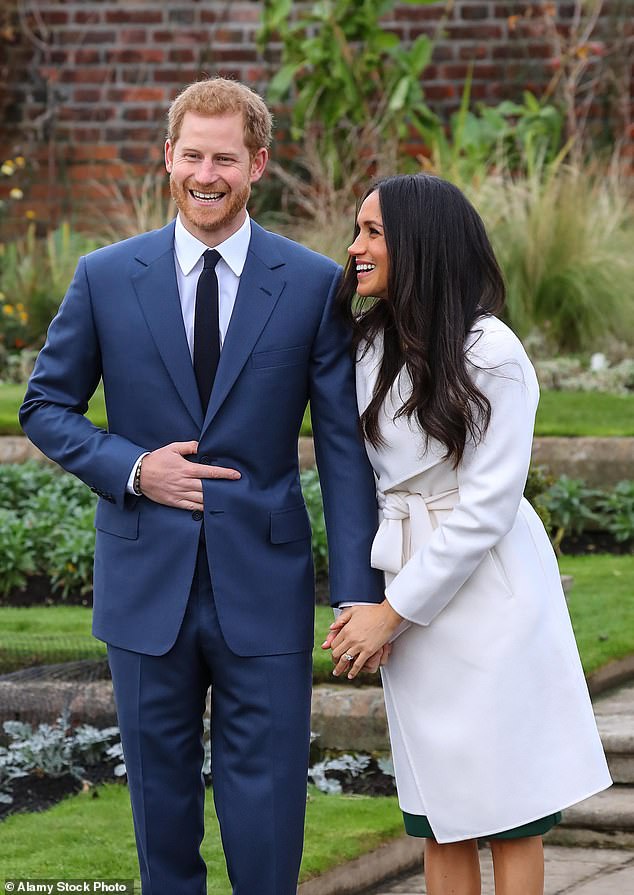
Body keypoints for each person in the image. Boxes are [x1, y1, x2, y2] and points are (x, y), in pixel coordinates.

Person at [19, 77, 385, 895]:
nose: (206, 173)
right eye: (192, 155)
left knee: (267, 817)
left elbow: (342, 449)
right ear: (168, 158)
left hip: (265, 583)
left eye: (225, 157)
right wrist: (135, 468)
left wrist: (359, 590)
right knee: (161, 812)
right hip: (146, 583)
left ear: (257, 164)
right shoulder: (106, 276)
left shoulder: (311, 281)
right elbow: (45, 405)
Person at [325, 174, 612, 895]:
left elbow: (487, 506)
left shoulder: (493, 352)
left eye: (373, 233)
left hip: (492, 596)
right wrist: (371, 600)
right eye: (356, 231)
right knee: (437, 809)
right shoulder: (365, 346)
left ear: (421, 243)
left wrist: (395, 610)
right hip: (408, 584)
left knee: (511, 809)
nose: (355, 247)